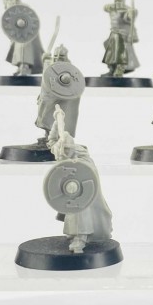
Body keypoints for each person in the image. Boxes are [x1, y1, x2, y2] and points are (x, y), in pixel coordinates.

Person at [47, 106, 113, 253]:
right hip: (69, 188)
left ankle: (80, 239)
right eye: (62, 151)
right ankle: (75, 235)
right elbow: (51, 140)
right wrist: (57, 122)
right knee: (73, 208)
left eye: (67, 150)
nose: (63, 153)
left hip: (83, 188)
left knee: (81, 209)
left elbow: (87, 175)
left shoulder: (82, 157)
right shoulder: (59, 149)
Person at [35, 45, 84, 145]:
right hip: (49, 99)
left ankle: (55, 139)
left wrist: (46, 61)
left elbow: (71, 86)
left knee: (57, 121)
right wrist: (45, 60)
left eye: (61, 56)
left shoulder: (68, 69)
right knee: (45, 119)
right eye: (56, 56)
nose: (58, 58)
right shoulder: (53, 66)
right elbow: (47, 76)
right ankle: (48, 137)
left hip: (62, 101)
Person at [101, 0, 139, 77]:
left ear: (123, 1)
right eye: (116, 1)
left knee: (120, 53)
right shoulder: (112, 9)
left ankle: (119, 70)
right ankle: (112, 69)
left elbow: (128, 17)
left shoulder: (126, 10)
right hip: (114, 33)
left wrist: (131, 13)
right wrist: (112, 6)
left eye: (119, 1)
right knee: (108, 49)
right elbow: (105, 7)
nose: (118, 3)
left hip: (122, 35)